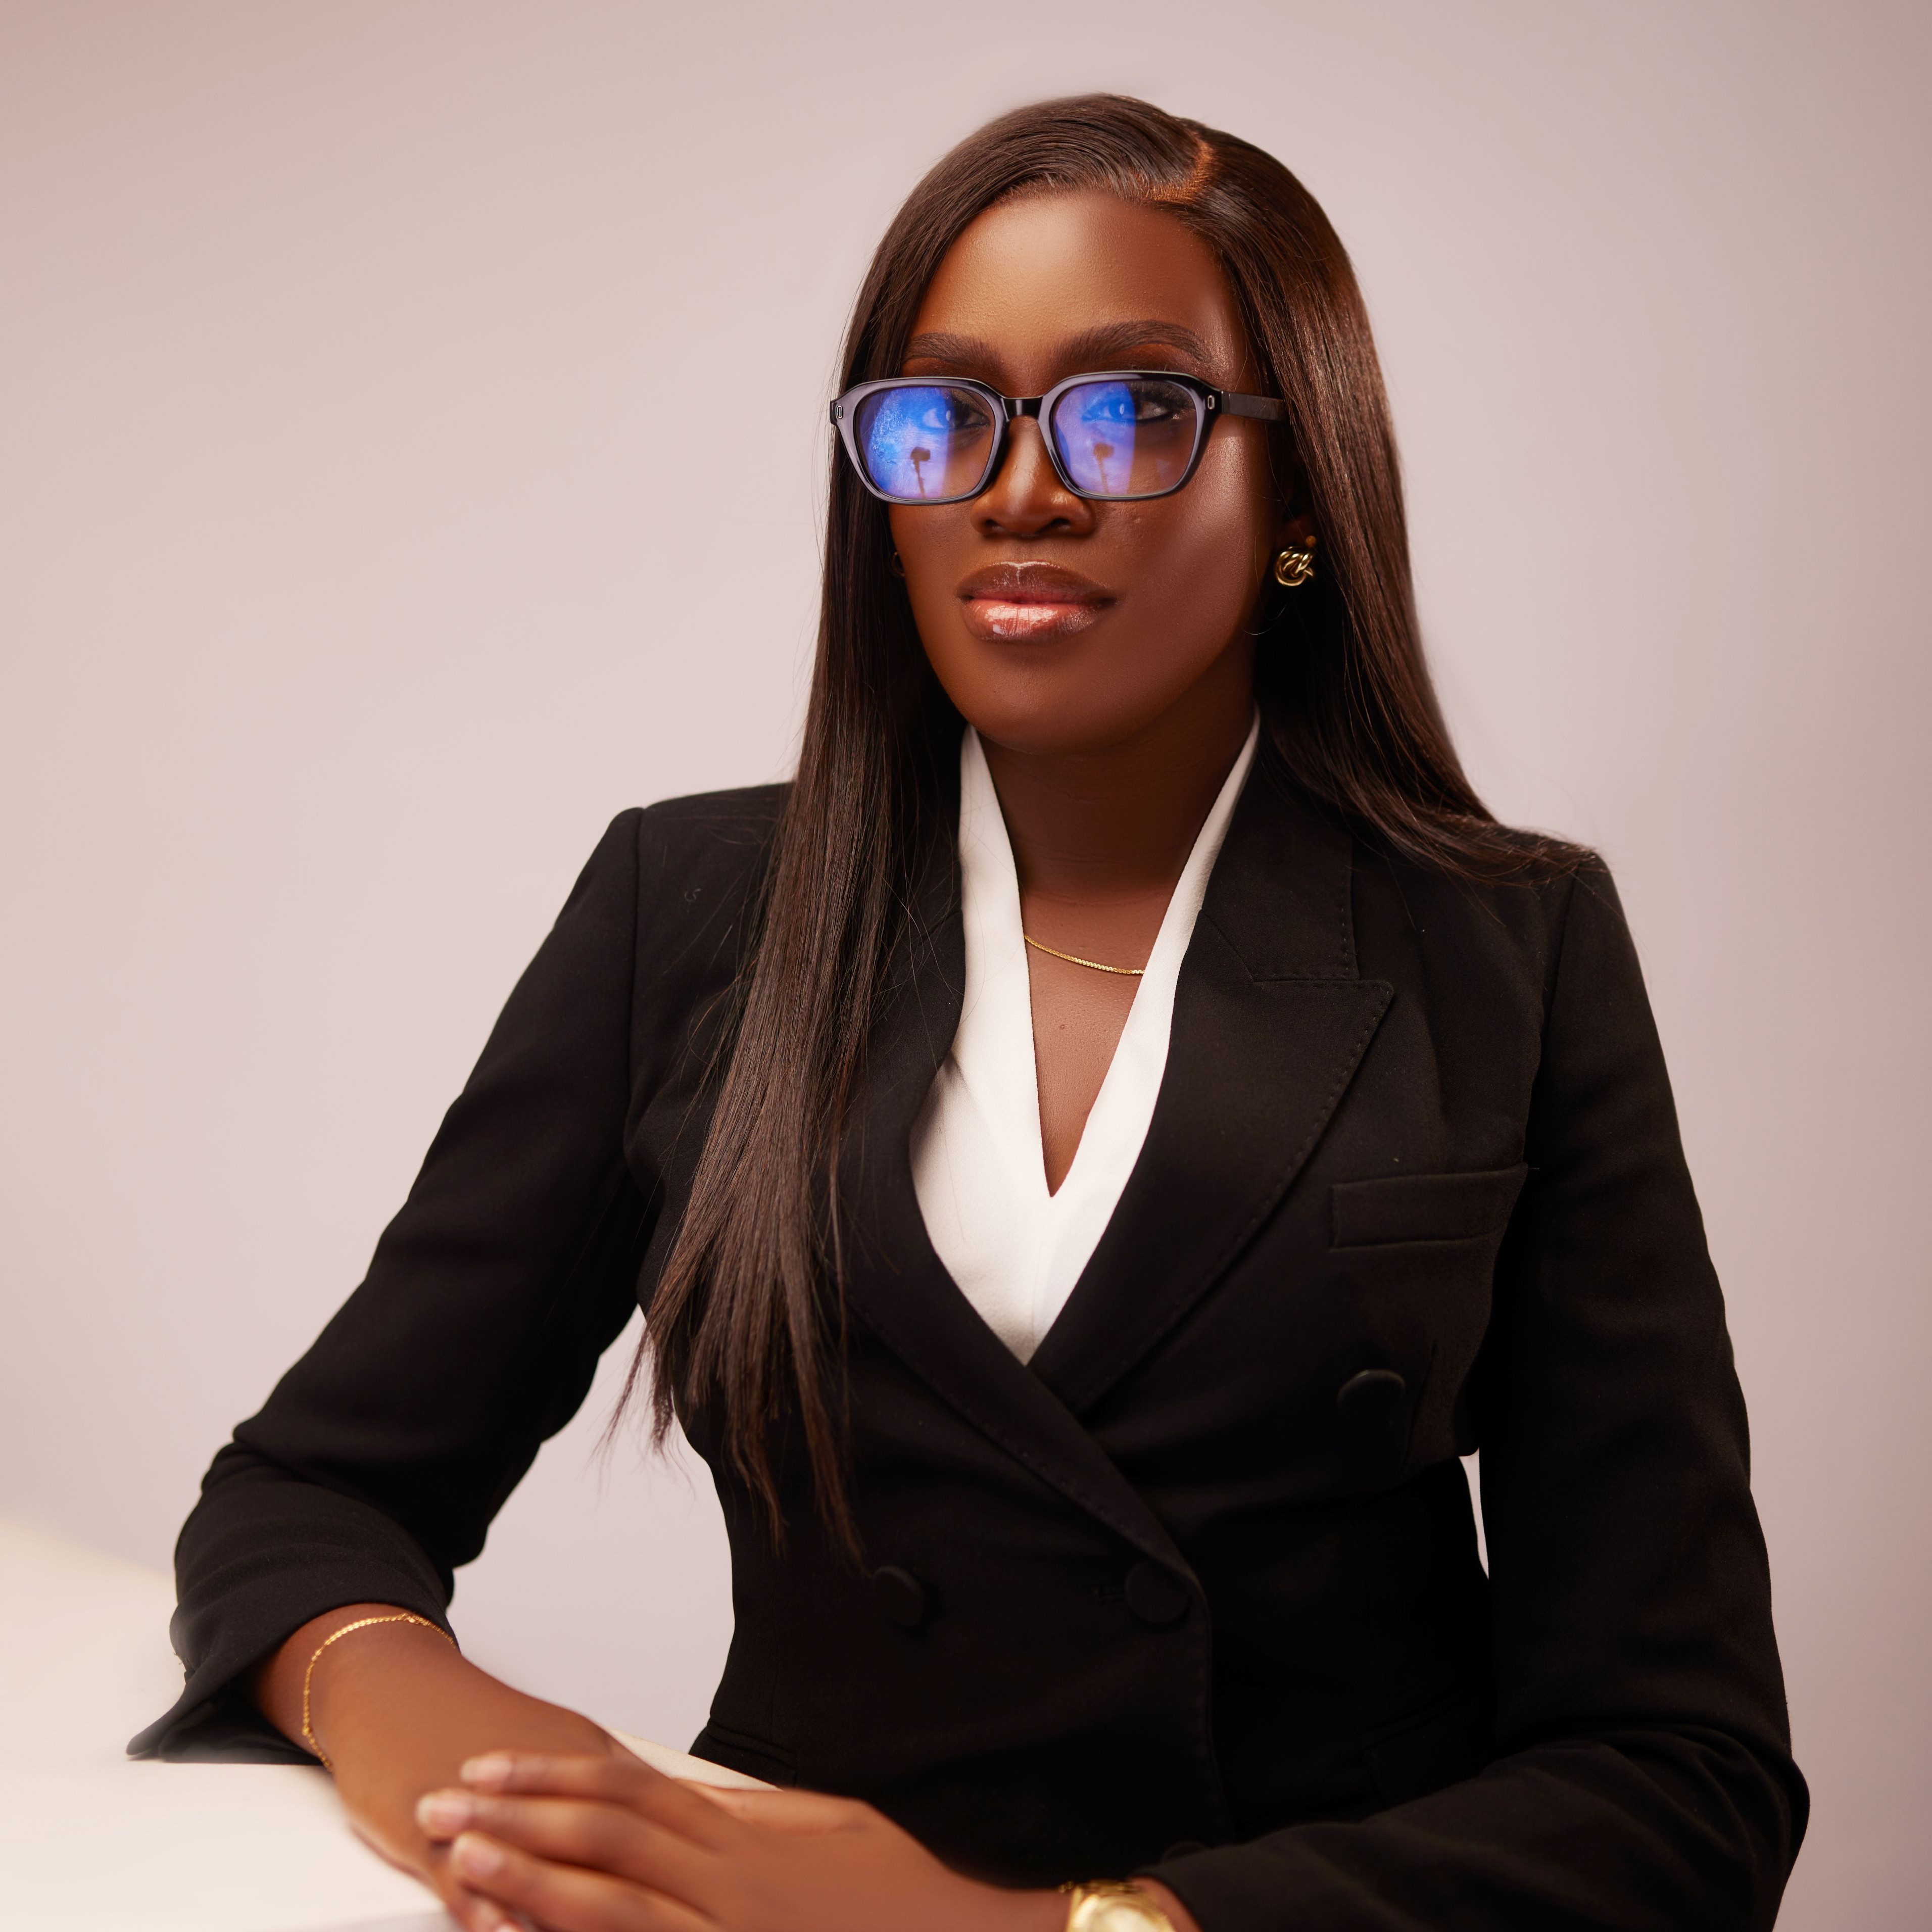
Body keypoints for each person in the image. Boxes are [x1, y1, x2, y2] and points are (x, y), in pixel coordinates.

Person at [132, 94, 1805, 1932]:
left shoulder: (1508, 945)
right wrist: (452, 1748)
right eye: (944, 418)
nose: (1020, 490)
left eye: (1132, 409)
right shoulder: (689, 909)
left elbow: (1682, 1778)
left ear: (1301, 491)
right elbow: (303, 1498)